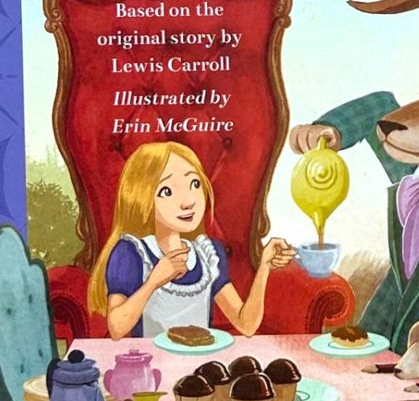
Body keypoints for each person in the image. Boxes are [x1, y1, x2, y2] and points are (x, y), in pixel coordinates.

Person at [88, 141, 294, 339]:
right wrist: (154, 281)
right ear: (142, 198)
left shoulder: (208, 254)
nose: (188, 201)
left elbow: (246, 325)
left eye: (194, 184)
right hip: (153, 361)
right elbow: (117, 328)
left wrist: (264, 267)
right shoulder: (131, 252)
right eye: (167, 191)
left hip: (201, 360)